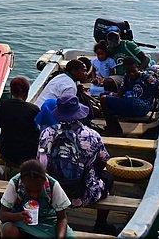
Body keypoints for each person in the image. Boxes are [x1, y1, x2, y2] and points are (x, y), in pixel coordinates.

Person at [38, 94, 115, 235]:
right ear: (79, 113)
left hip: (52, 193)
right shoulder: (92, 135)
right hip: (83, 195)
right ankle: (100, 224)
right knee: (108, 178)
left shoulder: (46, 133)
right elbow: (104, 160)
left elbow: (40, 162)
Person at [101, 58, 159, 136]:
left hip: (142, 105)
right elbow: (119, 95)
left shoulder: (147, 78)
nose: (131, 74)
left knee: (105, 99)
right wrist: (111, 95)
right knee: (104, 96)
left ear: (138, 67)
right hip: (131, 103)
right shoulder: (126, 78)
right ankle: (114, 127)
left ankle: (113, 129)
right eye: (128, 72)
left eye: (133, 71)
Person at [0, 159, 74, 238]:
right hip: (21, 222)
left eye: (38, 191)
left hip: (47, 222)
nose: (33, 195)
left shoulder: (52, 185)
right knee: (9, 230)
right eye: (28, 191)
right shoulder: (15, 183)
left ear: (44, 182)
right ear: (22, 182)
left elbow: (62, 218)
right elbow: (3, 215)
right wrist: (19, 216)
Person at [0, 76, 41, 167]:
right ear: (26, 93)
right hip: (27, 155)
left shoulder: (2, 105)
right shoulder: (33, 109)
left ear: (12, 91)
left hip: (5, 153)